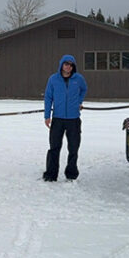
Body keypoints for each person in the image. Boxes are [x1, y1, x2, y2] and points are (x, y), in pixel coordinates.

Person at [43, 54, 88, 182]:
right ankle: (51, 174)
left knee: (73, 147)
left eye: (71, 64)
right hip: (57, 118)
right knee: (54, 147)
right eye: (66, 64)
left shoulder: (78, 79)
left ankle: (71, 173)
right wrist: (47, 116)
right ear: (61, 65)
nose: (68, 67)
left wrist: (79, 101)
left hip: (73, 119)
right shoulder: (53, 79)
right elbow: (48, 97)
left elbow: (84, 89)